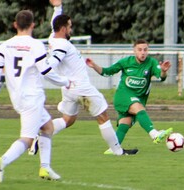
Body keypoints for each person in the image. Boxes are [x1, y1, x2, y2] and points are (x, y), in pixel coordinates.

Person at [29, 0, 137, 156]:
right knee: (103, 116)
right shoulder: (62, 45)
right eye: (70, 26)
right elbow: (52, 62)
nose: (71, 29)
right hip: (81, 88)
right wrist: (45, 66)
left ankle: (40, 135)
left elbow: (55, 23)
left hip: (68, 89)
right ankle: (118, 151)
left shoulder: (53, 38)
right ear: (63, 28)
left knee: (68, 119)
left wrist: (58, 7)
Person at [0, 9, 71, 183]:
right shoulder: (35, 45)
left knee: (48, 127)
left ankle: (45, 168)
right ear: (33, 25)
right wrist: (64, 82)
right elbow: (45, 70)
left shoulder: (5, 45)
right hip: (32, 97)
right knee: (27, 138)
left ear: (15, 25)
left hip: (17, 96)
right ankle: (2, 161)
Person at [85, 39, 173, 155]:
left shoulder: (151, 63)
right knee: (139, 109)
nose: (142, 52)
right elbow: (107, 71)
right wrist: (94, 65)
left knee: (124, 124)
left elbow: (161, 77)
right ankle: (154, 134)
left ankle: (114, 149)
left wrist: (163, 71)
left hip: (138, 99)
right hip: (123, 96)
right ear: (134, 50)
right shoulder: (126, 62)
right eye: (140, 50)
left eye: (145, 50)